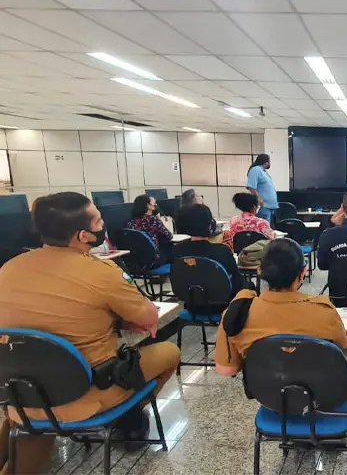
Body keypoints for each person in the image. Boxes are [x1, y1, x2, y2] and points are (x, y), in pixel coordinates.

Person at [0, 192, 180, 474]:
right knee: (169, 352)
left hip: (22, 396)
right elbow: (148, 316)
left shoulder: (8, 269)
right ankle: (126, 418)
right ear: (83, 236)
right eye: (98, 220)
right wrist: (118, 320)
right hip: (89, 395)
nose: (103, 223)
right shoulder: (101, 272)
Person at [214, 238, 347, 380]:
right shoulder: (324, 311)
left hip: (266, 392)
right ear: (302, 273)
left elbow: (226, 370)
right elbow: (342, 345)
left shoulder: (237, 313)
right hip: (320, 391)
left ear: (259, 271)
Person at [173, 204, 249, 296]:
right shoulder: (222, 251)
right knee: (249, 285)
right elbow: (238, 282)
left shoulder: (176, 251)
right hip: (223, 301)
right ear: (210, 225)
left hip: (189, 300)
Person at [126, 194, 173, 266]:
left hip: (136, 262)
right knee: (171, 247)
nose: (156, 205)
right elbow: (169, 236)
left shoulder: (130, 221)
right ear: (148, 205)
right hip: (152, 261)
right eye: (155, 203)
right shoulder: (153, 220)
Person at [247, 153, 278, 223]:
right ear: (266, 162)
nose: (270, 163)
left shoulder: (263, 171)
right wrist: (259, 198)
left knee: (268, 227)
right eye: (269, 161)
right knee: (263, 227)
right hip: (263, 206)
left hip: (270, 206)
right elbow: (251, 187)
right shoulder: (255, 170)